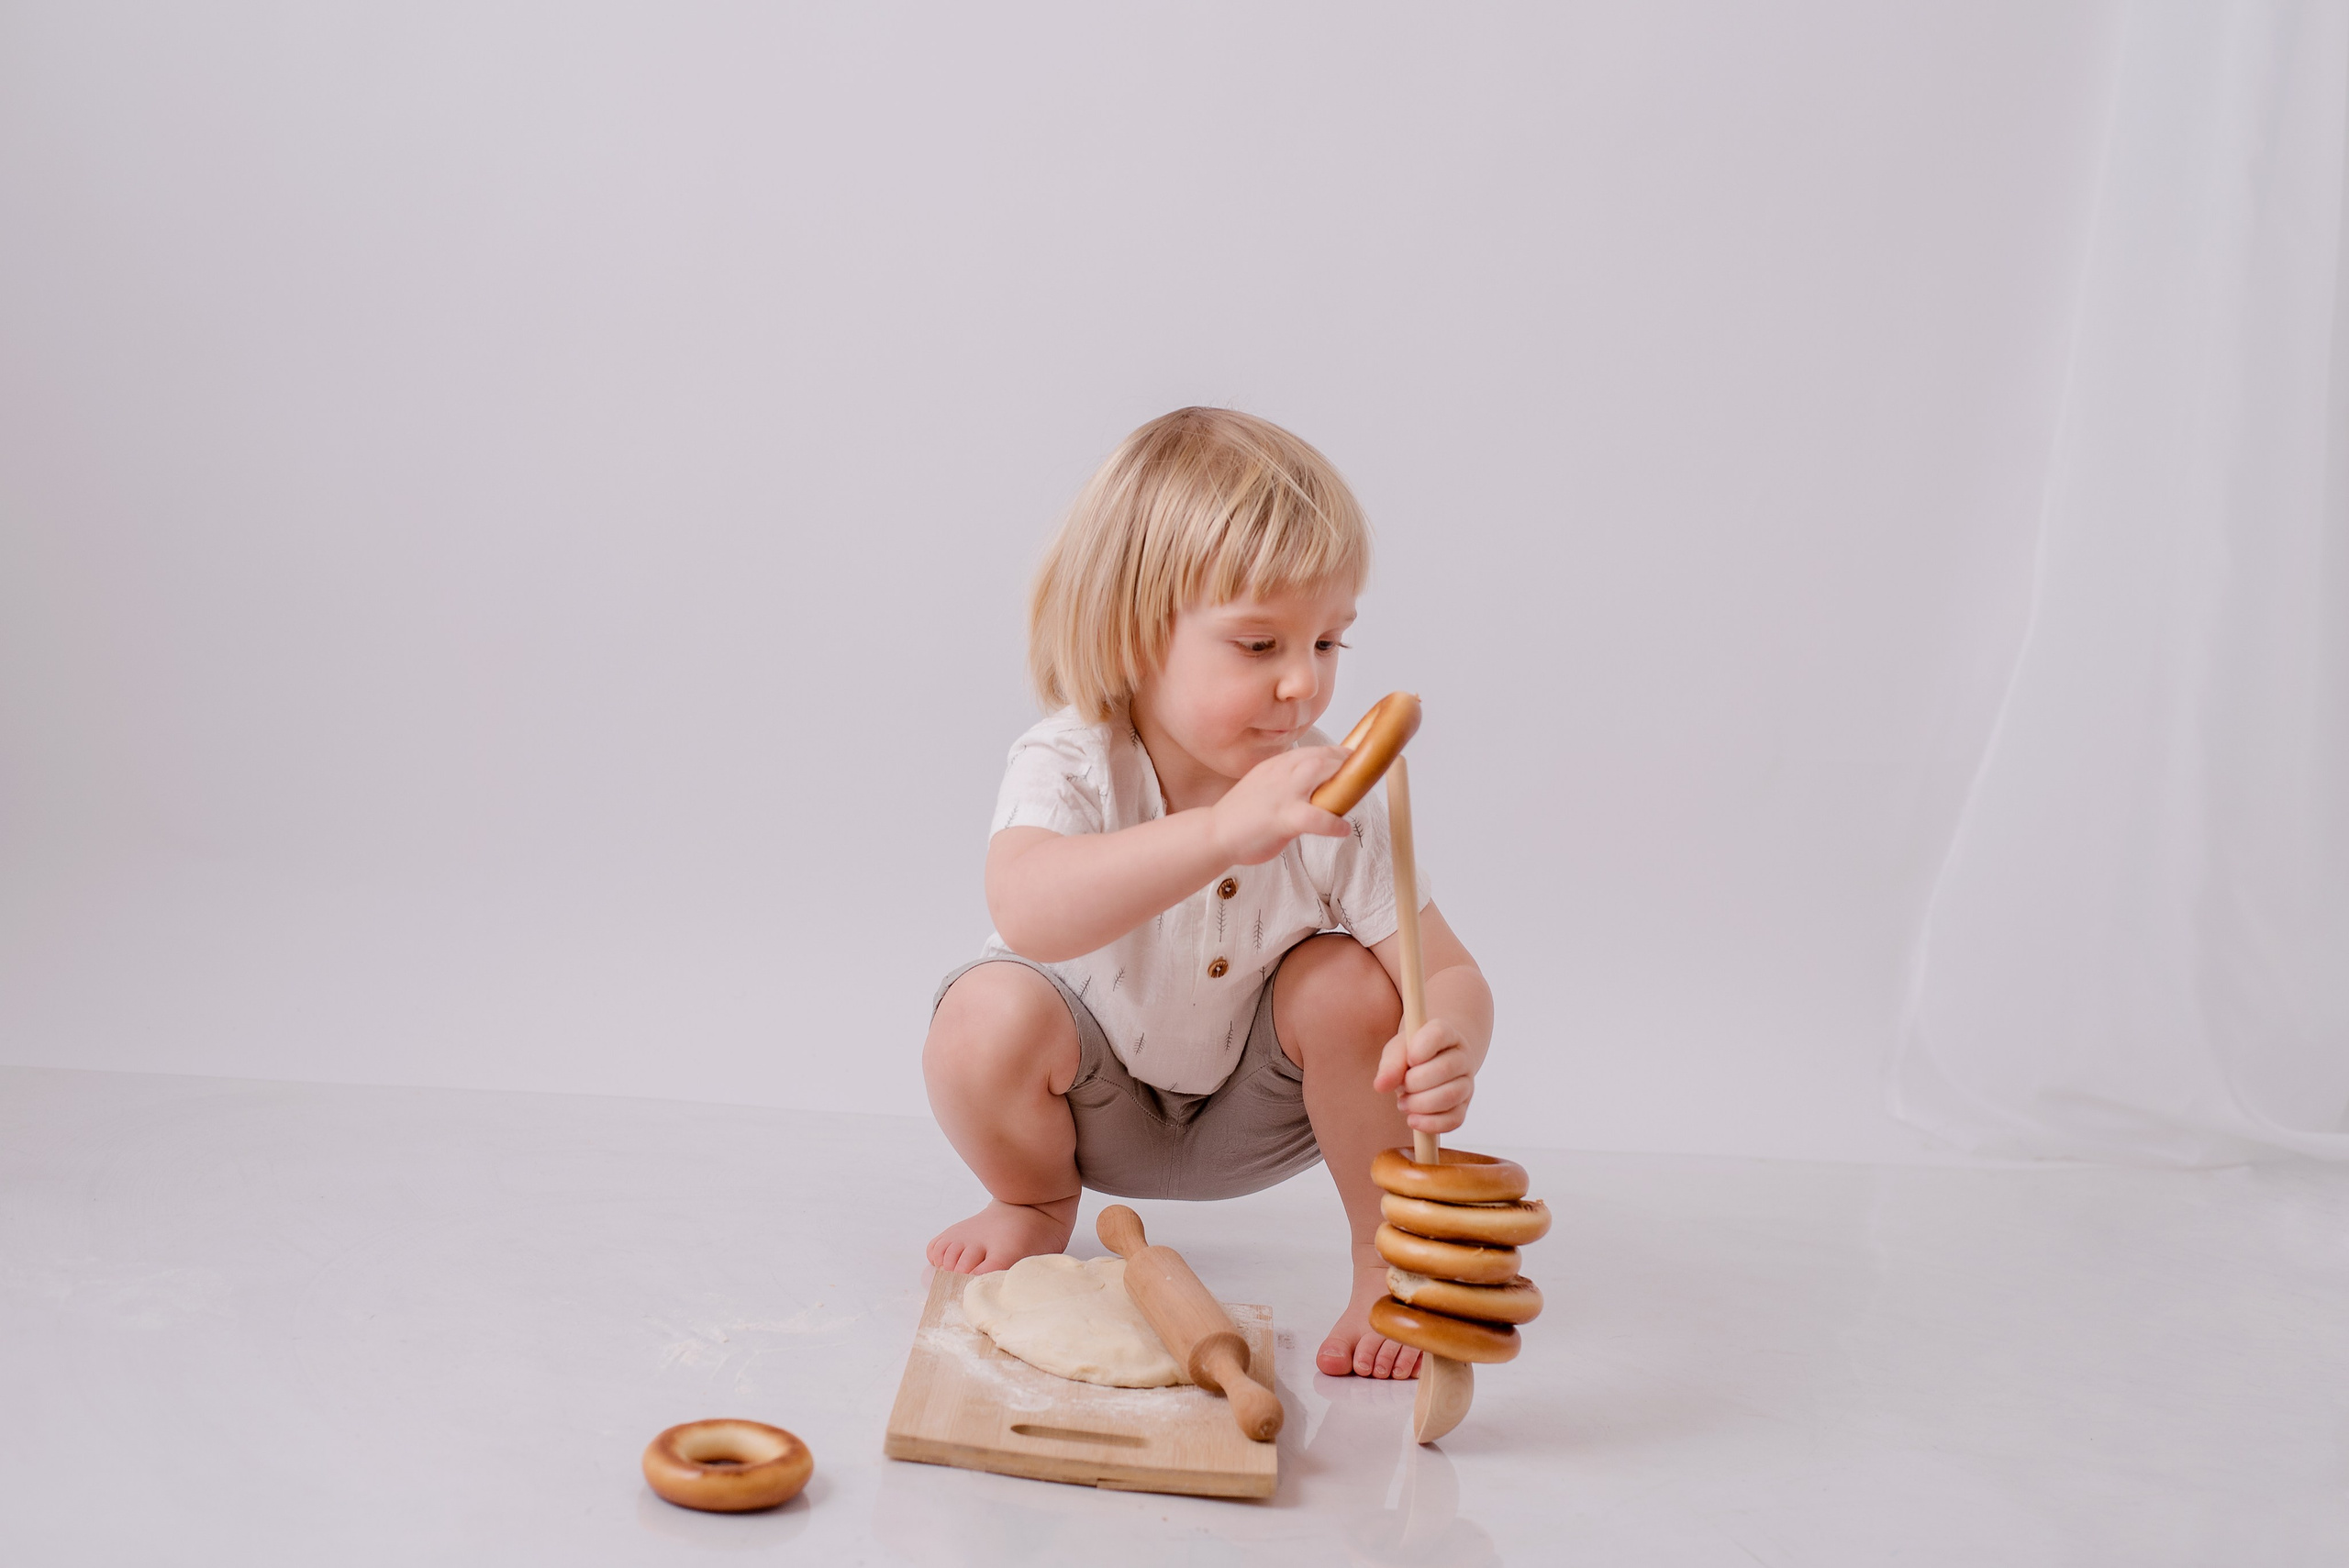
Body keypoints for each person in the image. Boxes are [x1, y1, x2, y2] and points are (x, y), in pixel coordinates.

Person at [923, 406, 1493, 1380]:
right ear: (1137, 635)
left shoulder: (1338, 794)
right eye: (1260, 645)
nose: (1303, 687)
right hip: (1093, 1107)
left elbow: (1444, 971)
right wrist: (1223, 831)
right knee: (982, 1013)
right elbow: (1026, 906)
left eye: (1328, 644)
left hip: (1255, 1113)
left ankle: (1379, 1260)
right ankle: (1031, 1200)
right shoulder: (1072, 758)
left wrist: (1449, 1040)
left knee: (1345, 982)